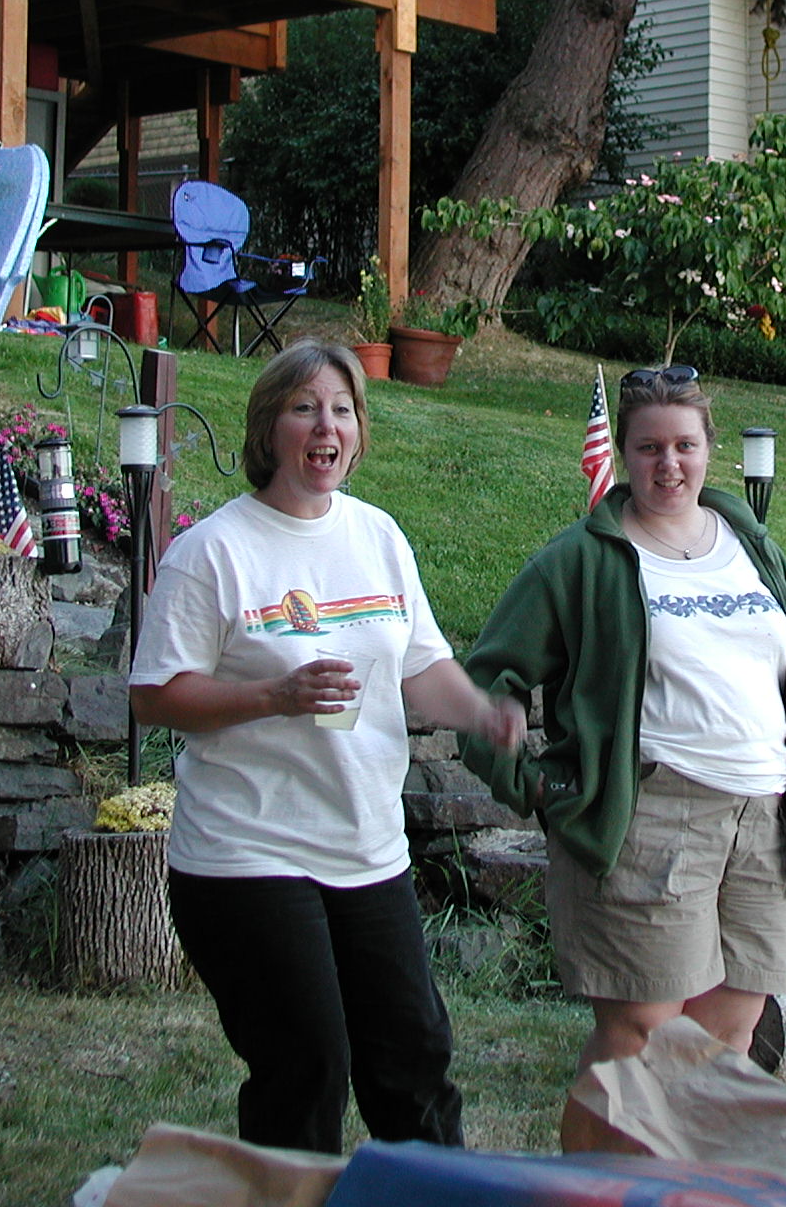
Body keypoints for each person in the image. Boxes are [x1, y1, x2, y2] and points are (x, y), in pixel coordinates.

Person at [129, 339, 525, 1154]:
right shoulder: (215, 551)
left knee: (412, 1057)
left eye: (342, 409)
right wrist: (272, 697)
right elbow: (154, 694)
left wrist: (483, 712)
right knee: (308, 1063)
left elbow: (421, 669)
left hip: (366, 848)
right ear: (268, 427)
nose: (326, 426)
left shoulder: (377, 536)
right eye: (305, 407)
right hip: (248, 853)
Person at [459, 365, 786, 1108]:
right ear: (626, 456)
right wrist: (539, 783)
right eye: (647, 449)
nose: (667, 465)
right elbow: (487, 680)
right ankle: (599, 1190)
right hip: (652, 817)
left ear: (709, 451)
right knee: (640, 1033)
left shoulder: (756, 549)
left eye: (684, 446)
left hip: (761, 822)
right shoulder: (583, 558)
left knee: (730, 1037)